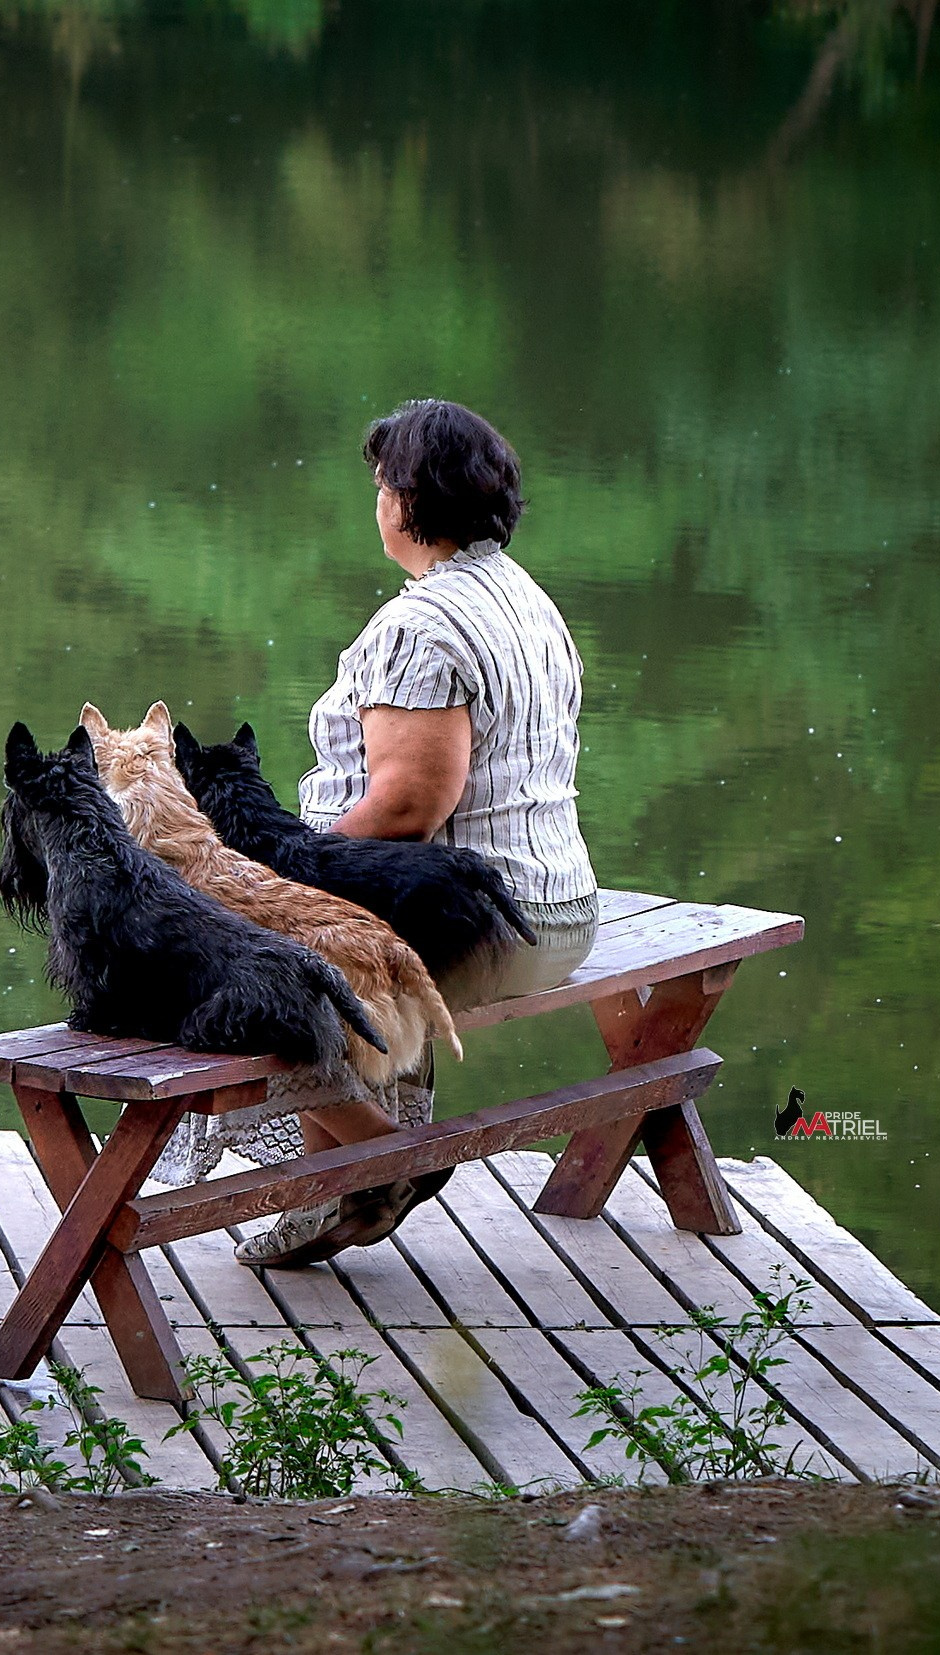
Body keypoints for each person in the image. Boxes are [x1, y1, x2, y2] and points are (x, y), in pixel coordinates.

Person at [234, 398, 601, 1267]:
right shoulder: (523, 596)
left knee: (230, 973)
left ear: (406, 500)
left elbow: (408, 806)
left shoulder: (423, 624)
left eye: (380, 484)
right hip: (557, 907)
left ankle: (380, 1159)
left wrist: (290, 867)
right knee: (293, 946)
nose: (376, 501)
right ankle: (336, 1195)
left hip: (479, 929)